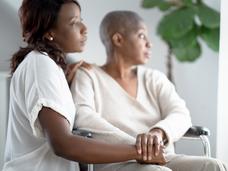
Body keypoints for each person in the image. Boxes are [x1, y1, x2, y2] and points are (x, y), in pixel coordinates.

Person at [2, 1, 166, 171]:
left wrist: (65, 84)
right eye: (74, 22)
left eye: (81, 19)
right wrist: (138, 152)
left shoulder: (49, 66)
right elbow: (63, 144)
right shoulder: (41, 65)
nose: (84, 28)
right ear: (50, 32)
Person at [71, 10, 227, 171]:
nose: (149, 43)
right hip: (115, 161)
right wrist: (138, 148)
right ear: (118, 39)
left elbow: (181, 114)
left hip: (162, 158)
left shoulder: (154, 78)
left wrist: (157, 133)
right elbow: (84, 117)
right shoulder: (88, 75)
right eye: (141, 36)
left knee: (214, 166)